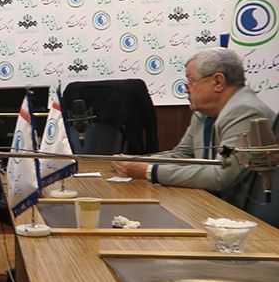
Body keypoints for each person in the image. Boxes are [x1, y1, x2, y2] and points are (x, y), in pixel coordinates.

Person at [111, 48, 275, 208]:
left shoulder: (244, 111)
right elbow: (182, 155)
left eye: (190, 81)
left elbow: (221, 176)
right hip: (210, 204)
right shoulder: (203, 113)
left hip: (243, 212)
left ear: (218, 82)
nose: (186, 89)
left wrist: (149, 171)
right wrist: (133, 162)